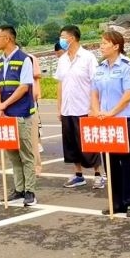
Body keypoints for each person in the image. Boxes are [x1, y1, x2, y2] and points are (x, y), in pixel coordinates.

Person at [91, 30, 130, 217]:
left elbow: (128, 94)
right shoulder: (100, 67)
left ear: (116, 46)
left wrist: (111, 113)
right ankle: (117, 201)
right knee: (110, 163)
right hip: (105, 122)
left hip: (122, 120)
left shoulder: (127, 66)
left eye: (105, 43)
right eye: (101, 42)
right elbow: (94, 93)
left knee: (127, 163)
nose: (101, 46)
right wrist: (96, 111)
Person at [55, 24, 104, 189]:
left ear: (72, 38)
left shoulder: (88, 58)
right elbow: (60, 84)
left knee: (90, 143)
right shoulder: (62, 59)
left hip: (85, 108)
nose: (61, 40)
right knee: (71, 143)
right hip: (68, 108)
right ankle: (78, 174)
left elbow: (95, 83)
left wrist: (93, 107)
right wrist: (59, 107)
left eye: (63, 36)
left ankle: (99, 175)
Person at [0, 25, 37, 206]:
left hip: (21, 113)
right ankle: (19, 189)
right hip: (6, 115)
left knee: (26, 154)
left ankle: (30, 191)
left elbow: (24, 87)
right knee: (13, 155)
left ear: (8, 38)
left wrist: (3, 104)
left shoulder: (24, 59)